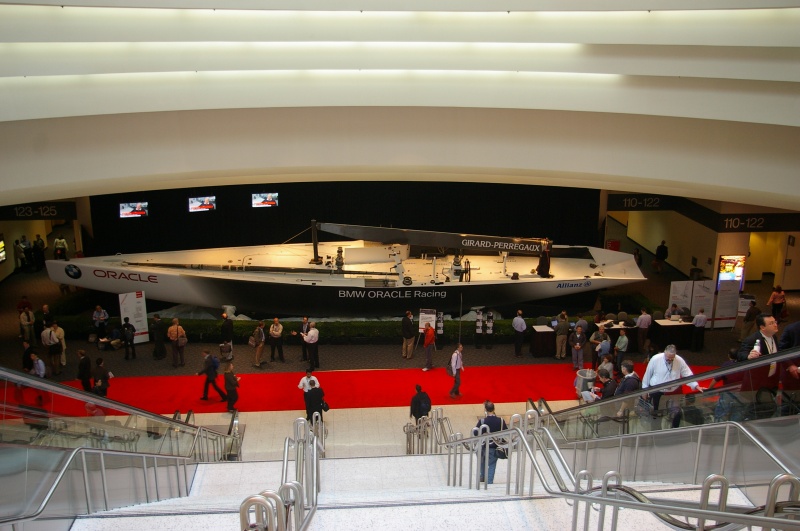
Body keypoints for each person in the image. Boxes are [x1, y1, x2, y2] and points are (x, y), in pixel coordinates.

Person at [642, 345, 704, 428]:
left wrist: (696, 386)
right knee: (656, 414)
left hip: (674, 391)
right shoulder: (655, 359)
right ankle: (656, 430)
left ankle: (674, 429)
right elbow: (648, 374)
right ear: (664, 352)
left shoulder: (679, 360)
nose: (670, 360)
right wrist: (645, 390)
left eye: (672, 358)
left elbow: (687, 374)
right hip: (657, 391)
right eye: (668, 358)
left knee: (676, 413)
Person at [707, 349, 746, 422]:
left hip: (728, 394)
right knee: (737, 414)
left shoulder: (727, 365)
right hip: (741, 394)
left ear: (729, 355)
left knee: (721, 413)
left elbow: (716, 378)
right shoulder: (745, 365)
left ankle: (718, 424)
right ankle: (734, 426)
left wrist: (709, 389)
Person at [474, 400, 508, 484]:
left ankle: (482, 476)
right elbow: (506, 432)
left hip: (483, 445)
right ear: (494, 409)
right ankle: (489, 482)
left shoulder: (482, 421)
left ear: (485, 409)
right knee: (492, 464)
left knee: (482, 461)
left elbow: (475, 432)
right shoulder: (500, 420)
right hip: (495, 446)